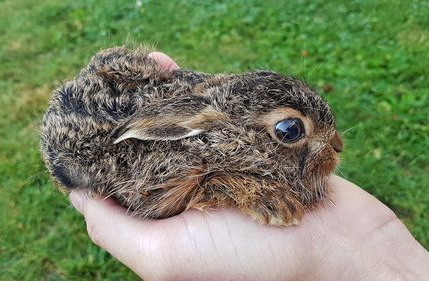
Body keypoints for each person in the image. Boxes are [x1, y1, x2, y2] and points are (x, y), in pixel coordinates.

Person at [68, 52, 429, 281]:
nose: (336, 145)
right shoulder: (179, 165)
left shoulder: (222, 125)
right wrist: (247, 191)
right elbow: (163, 193)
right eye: (290, 130)